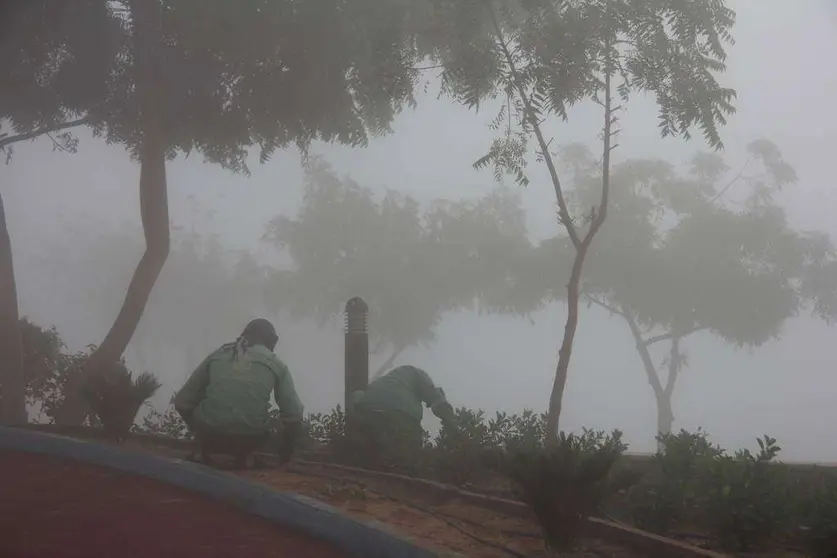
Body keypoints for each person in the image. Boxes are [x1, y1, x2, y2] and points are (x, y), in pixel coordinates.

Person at [174, 318, 304, 469]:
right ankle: (249, 456)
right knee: (274, 423)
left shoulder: (219, 354)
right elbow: (294, 414)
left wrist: (200, 426)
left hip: (209, 433)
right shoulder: (277, 364)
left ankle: (201, 450)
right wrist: (286, 453)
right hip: (249, 438)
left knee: (203, 411)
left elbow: (182, 402)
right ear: (270, 339)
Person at [346, 365, 454, 473]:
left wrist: (356, 413)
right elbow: (437, 401)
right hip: (402, 412)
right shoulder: (418, 374)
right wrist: (451, 424)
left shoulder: (381, 382)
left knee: (370, 455)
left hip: (367, 408)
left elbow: (356, 397)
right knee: (408, 455)